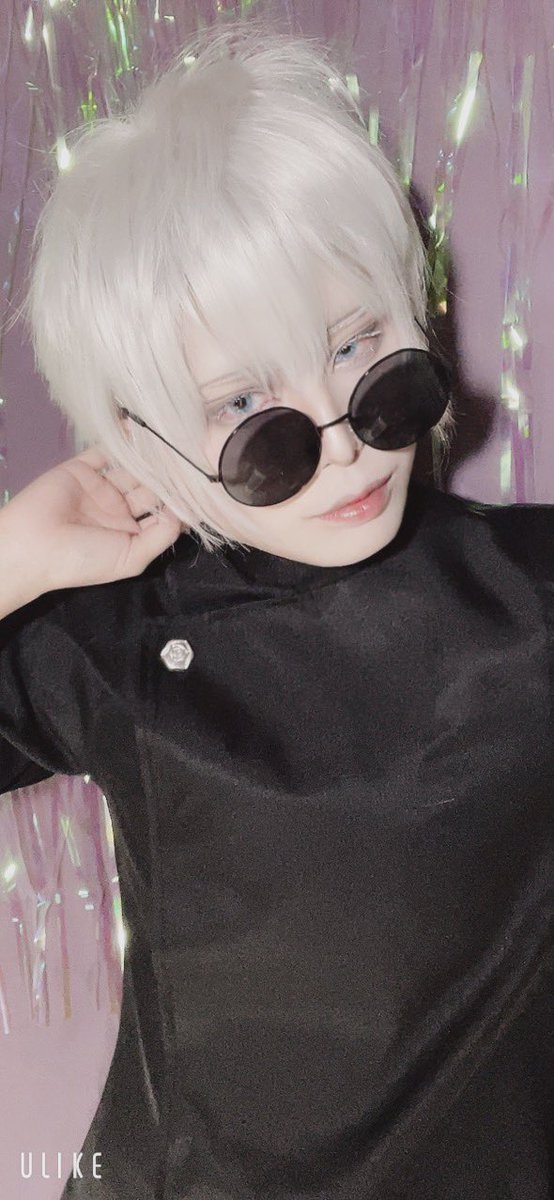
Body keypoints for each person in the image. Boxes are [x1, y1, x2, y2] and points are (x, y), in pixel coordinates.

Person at [0, 18, 552, 1200]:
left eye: (359, 349)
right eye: (246, 411)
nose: (343, 446)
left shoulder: (529, 593)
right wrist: (12, 555)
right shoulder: (114, 636)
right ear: (138, 436)